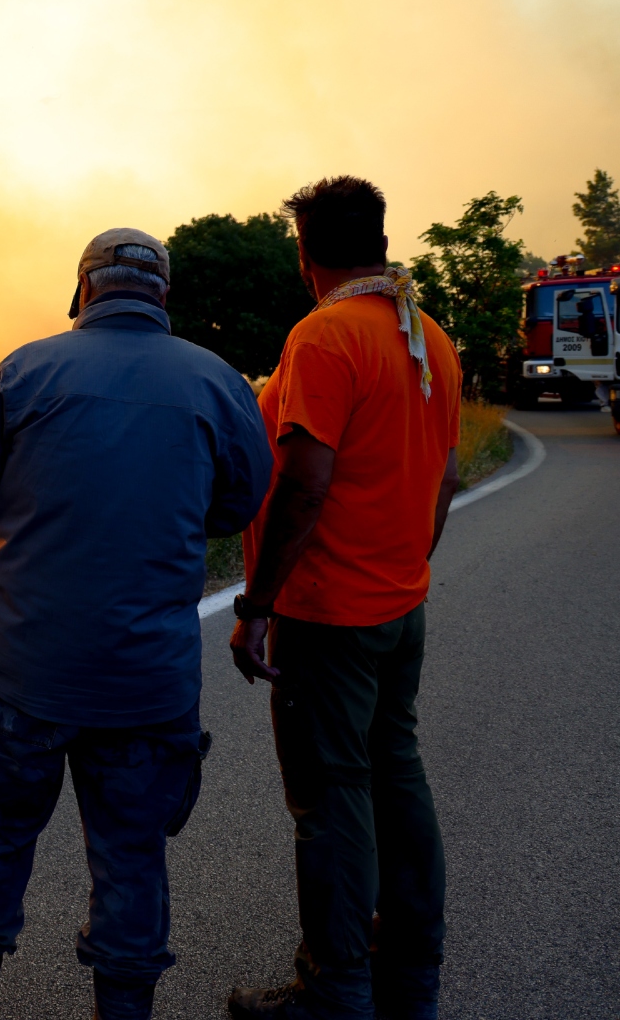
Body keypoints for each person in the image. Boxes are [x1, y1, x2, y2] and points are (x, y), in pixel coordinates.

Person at [0, 228, 272, 1020]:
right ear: (162, 296)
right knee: (131, 855)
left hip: (21, 668)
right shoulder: (219, 383)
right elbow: (239, 503)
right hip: (147, 681)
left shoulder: (26, 368)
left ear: (82, 290)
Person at [226, 177, 462, 1020]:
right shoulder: (428, 336)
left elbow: (304, 481)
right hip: (401, 609)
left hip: (330, 619)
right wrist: (404, 564)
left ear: (306, 256)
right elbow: (446, 477)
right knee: (396, 780)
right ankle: (410, 982)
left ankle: (334, 993)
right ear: (382, 241)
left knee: (331, 798)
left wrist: (258, 605)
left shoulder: (324, 338)